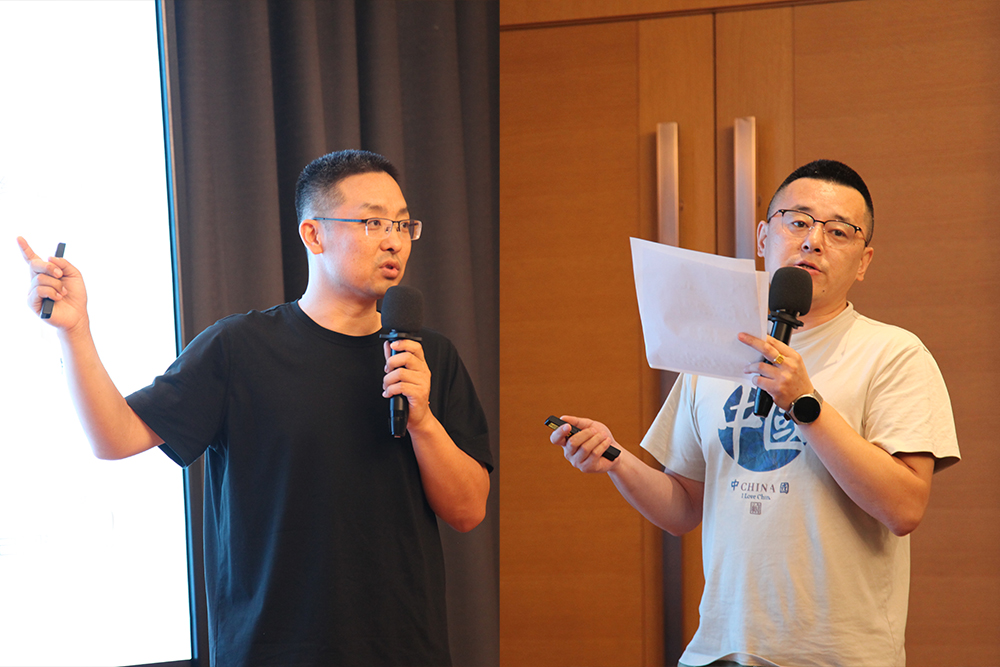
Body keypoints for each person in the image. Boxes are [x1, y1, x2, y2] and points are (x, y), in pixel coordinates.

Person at [19, 149, 493, 667]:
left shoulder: (427, 356)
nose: (394, 240)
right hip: (271, 648)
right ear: (313, 234)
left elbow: (468, 511)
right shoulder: (239, 347)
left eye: (403, 224)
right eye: (372, 222)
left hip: (406, 647)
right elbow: (114, 438)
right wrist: (76, 331)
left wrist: (422, 421)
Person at [550, 160, 959, 667]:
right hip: (720, 649)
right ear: (764, 237)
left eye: (838, 231)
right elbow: (683, 508)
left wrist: (805, 405)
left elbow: (904, 509)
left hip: (837, 656)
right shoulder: (718, 348)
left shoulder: (893, 353)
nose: (813, 241)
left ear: (864, 261)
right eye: (798, 221)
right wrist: (615, 459)